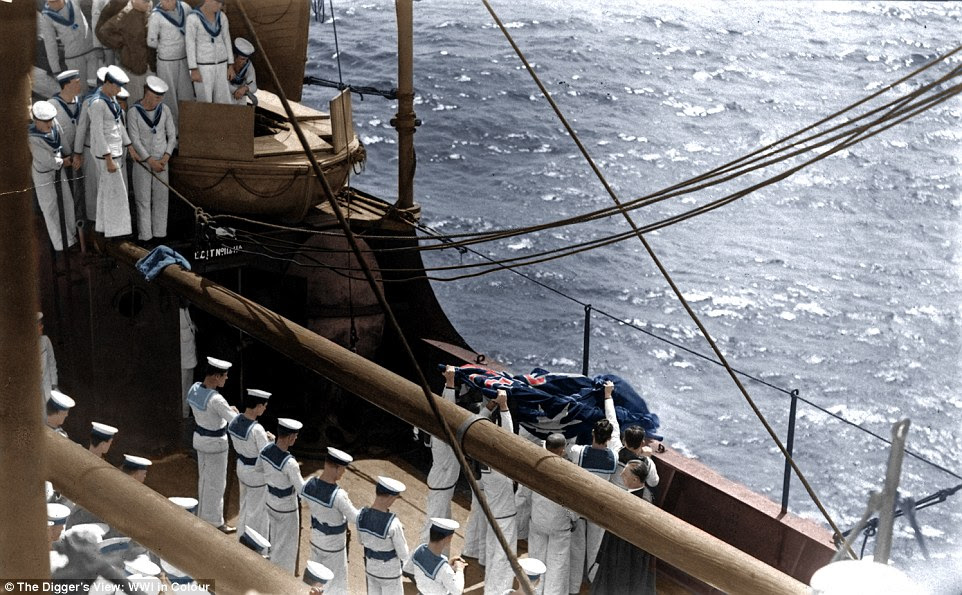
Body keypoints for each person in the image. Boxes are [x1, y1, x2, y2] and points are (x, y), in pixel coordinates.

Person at [567, 380, 621, 591]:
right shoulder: (614, 458)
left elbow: (566, 438)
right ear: (608, 438)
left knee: (576, 550)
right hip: (598, 509)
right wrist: (608, 396)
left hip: (579, 507)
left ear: (592, 434)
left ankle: (572, 588)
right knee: (594, 550)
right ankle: (593, 585)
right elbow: (614, 424)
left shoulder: (577, 452)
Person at [186, 356, 237, 533]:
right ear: (216, 376)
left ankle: (203, 516)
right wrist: (233, 412)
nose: (226, 378)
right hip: (216, 445)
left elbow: (207, 411)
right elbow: (234, 421)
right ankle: (214, 522)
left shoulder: (193, 389)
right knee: (216, 483)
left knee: (204, 479)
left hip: (200, 440)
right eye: (224, 375)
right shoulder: (217, 399)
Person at [589, 460, 656, 595]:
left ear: (635, 479)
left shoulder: (642, 501)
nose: (621, 475)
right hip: (617, 550)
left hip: (624, 555)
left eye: (625, 474)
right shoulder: (638, 495)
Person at [302, 447, 359, 595]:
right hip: (334, 548)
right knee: (336, 586)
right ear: (337, 468)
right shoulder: (339, 496)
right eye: (343, 469)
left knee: (314, 581)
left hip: (315, 540)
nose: (343, 473)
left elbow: (302, 501)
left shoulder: (309, 484)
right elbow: (355, 518)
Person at [525, 434, 577, 595]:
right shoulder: (567, 471)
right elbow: (569, 502)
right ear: (562, 450)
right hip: (559, 526)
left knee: (535, 560)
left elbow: (526, 494)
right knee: (557, 565)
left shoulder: (537, 465)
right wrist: (574, 519)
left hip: (538, 520)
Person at [127, 75, 176, 243]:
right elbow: (135, 139)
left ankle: (160, 235)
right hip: (143, 163)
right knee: (143, 199)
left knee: (161, 199)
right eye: (156, 97)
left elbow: (172, 136)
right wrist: (149, 161)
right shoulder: (133, 112)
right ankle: (145, 237)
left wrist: (166, 157)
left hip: (162, 162)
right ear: (147, 92)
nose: (159, 100)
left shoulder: (165, 110)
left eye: (161, 97)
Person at [479, 389, 517, 595]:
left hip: (491, 515)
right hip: (504, 518)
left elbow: (477, 421)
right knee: (502, 560)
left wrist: (492, 405)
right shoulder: (502, 466)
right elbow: (509, 437)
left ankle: (490, 590)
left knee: (493, 553)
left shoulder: (481, 456)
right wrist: (504, 407)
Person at [88, 64, 133, 238]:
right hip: (107, 154)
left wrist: (129, 145)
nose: (120, 90)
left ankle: (104, 226)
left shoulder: (110, 98)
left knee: (108, 191)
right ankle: (117, 232)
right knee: (116, 193)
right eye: (118, 86)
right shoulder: (98, 103)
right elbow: (98, 133)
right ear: (109, 83)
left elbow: (118, 124)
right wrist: (108, 158)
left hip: (116, 151)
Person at [29, 100, 78, 252]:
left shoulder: (53, 123)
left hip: (59, 168)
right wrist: (65, 161)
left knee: (67, 201)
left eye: (50, 120)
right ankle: (62, 244)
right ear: (36, 121)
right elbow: (47, 160)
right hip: (44, 174)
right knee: (50, 208)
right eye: (45, 122)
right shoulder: (32, 137)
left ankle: (72, 236)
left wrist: (71, 155)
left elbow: (62, 140)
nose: (49, 124)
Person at [258, 417, 306, 573]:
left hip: (270, 501)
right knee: (287, 547)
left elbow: (260, 467)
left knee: (275, 538)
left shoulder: (265, 450)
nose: (296, 438)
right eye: (296, 436)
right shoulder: (290, 463)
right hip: (287, 509)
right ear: (291, 437)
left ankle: (271, 566)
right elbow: (302, 490)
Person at [421, 366, 461, 549]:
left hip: (443, 483)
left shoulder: (436, 430)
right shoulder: (440, 435)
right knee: (433, 524)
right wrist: (451, 383)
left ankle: (440, 557)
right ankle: (415, 563)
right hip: (441, 485)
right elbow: (447, 409)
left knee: (445, 523)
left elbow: (444, 408)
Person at [227, 388, 273, 540]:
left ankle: (242, 535)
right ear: (258, 406)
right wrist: (272, 441)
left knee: (245, 504)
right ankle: (253, 543)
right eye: (264, 405)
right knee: (257, 511)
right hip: (256, 473)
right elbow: (266, 455)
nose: (265, 408)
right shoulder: (257, 429)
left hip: (242, 467)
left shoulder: (234, 420)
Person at [96, 0, 154, 107]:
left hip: (149, 63)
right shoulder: (125, 14)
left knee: (150, 98)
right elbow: (104, 32)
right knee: (136, 100)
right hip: (133, 66)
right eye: (145, 2)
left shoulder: (147, 10)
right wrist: (123, 43)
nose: (148, 3)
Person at [357, 476, 409, 595]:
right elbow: (403, 554)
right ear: (390, 497)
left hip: (371, 567)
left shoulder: (361, 515)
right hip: (389, 572)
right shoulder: (394, 523)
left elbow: (360, 541)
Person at [147, 0, 194, 121]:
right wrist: (165, 47)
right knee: (169, 97)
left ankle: (188, 126)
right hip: (166, 61)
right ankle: (174, 130)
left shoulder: (185, 7)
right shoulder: (156, 15)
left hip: (183, 59)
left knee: (186, 94)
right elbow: (151, 42)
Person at [38, 0, 99, 89]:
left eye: (56, 1)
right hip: (74, 58)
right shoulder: (47, 15)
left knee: (96, 87)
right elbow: (50, 44)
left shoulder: (73, 1)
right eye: (51, 2)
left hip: (91, 52)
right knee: (81, 91)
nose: (54, 5)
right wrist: (55, 69)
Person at [404, 517, 467, 595]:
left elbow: (409, 569)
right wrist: (459, 569)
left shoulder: (419, 549)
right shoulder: (444, 568)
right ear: (447, 538)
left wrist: (448, 566)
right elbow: (457, 591)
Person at [185, 0, 232, 104]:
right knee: (205, 101)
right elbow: (190, 45)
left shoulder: (222, 17)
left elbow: (227, 39)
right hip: (203, 67)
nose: (219, 6)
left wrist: (230, 65)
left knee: (224, 100)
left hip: (221, 64)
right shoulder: (193, 18)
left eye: (221, 3)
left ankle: (223, 120)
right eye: (217, 2)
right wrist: (193, 69)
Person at [49, 70, 85, 196]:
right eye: (77, 83)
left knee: (82, 188)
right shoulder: (52, 105)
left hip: (79, 154)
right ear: (67, 85)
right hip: (63, 156)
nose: (80, 86)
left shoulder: (80, 102)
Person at [611, 425, 659, 501]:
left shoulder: (615, 451)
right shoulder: (647, 463)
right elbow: (653, 483)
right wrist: (648, 457)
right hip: (629, 499)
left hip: (611, 490)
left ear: (624, 440)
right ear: (642, 443)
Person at [179, 304, 197, 418]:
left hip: (190, 360)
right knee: (182, 397)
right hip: (182, 363)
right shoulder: (178, 314)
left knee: (187, 396)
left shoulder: (186, 311)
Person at [228, 37, 257, 106]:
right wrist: (236, 91)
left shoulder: (248, 65)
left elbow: (253, 85)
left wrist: (245, 88)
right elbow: (222, 84)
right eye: (242, 59)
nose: (244, 62)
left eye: (246, 59)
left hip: (240, 96)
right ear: (234, 56)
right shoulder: (225, 64)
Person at [38, 312, 59, 404]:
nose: (42, 327)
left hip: (47, 387)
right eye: (39, 325)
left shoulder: (45, 341)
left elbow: (52, 363)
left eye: (41, 324)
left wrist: (54, 384)